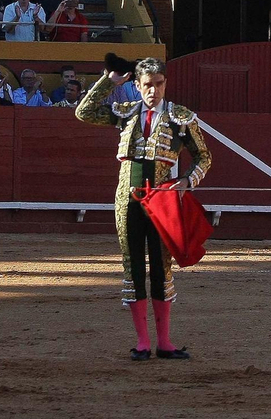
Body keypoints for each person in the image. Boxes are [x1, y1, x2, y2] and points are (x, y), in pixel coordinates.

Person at [74, 57, 211, 360]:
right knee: (133, 266)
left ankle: (165, 342)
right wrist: (110, 81)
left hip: (162, 203)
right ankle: (142, 342)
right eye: (148, 85)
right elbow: (84, 112)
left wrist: (188, 180)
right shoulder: (125, 113)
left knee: (161, 268)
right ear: (137, 85)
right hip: (127, 201)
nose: (154, 90)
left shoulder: (180, 117)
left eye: (159, 84)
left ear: (165, 83)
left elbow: (204, 156)